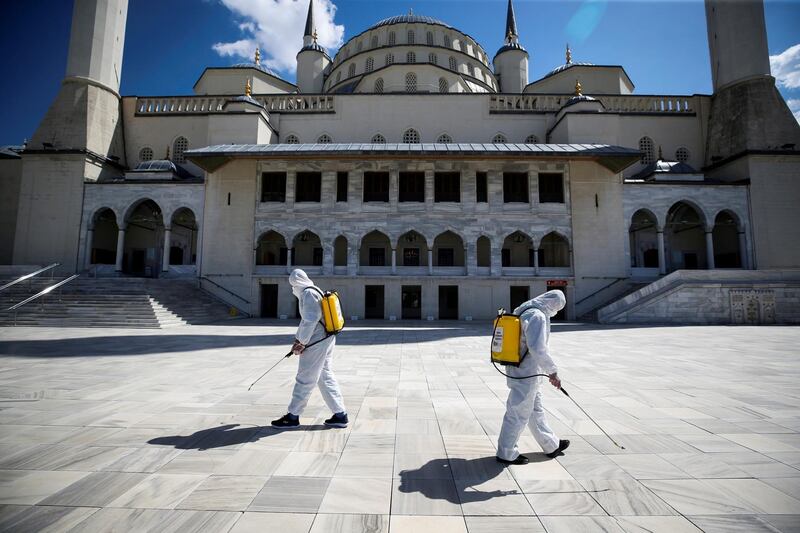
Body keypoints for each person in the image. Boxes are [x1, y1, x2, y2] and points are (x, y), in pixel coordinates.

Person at [496, 290, 570, 465]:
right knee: (518, 411)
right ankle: (506, 452)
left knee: (534, 409)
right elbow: (538, 348)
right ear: (552, 303)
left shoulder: (523, 310)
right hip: (527, 372)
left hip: (520, 368)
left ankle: (551, 445)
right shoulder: (537, 316)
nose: (556, 312)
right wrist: (552, 371)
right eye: (557, 308)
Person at [271, 269, 348, 429]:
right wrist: (299, 339)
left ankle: (293, 416)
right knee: (324, 376)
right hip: (325, 338)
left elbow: (310, 320)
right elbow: (310, 320)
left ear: (295, 282)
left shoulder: (308, 293)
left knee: (305, 378)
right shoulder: (314, 290)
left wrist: (301, 342)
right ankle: (340, 414)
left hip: (317, 341)